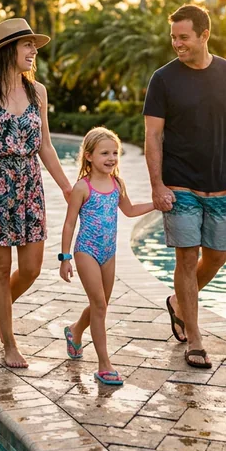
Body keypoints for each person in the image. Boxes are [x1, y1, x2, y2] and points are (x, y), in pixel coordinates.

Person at [143, 4, 226, 369]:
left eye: (184, 37)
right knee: (187, 257)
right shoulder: (163, 79)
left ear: (204, 35)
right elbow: (153, 136)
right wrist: (157, 185)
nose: (177, 44)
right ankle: (195, 338)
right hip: (180, 185)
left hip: (218, 184)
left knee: (218, 256)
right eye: (173, 37)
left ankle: (179, 304)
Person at [0, 18, 73, 369]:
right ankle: (8, 341)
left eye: (33, 46)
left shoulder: (38, 92)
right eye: (27, 45)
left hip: (29, 186)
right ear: (9, 51)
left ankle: (0, 311)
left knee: (32, 268)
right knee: (0, 267)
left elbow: (46, 146)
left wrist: (67, 188)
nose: (34, 51)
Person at [59, 128, 154, 386]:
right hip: (86, 250)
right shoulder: (82, 187)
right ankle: (104, 365)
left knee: (100, 305)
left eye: (115, 153)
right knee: (99, 305)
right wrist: (65, 257)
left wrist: (157, 204)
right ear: (88, 156)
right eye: (105, 153)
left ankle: (75, 331)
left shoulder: (117, 184)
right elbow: (69, 224)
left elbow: (131, 210)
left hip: (108, 252)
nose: (111, 158)